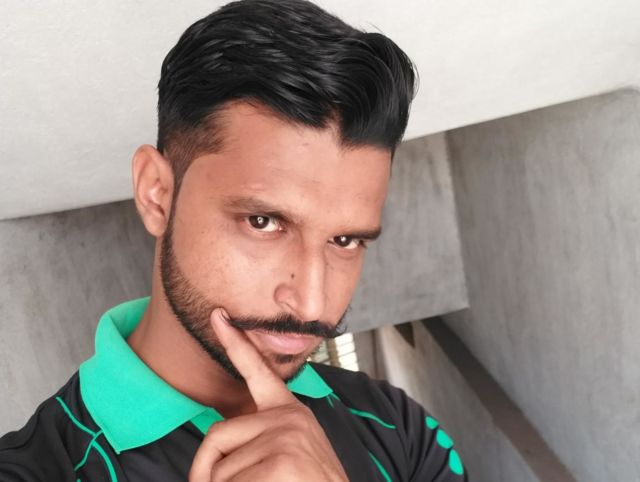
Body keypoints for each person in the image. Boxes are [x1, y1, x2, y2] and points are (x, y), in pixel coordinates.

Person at [0, 0, 467, 480]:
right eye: (262, 222)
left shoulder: (399, 427)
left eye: (345, 239)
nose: (311, 303)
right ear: (157, 194)